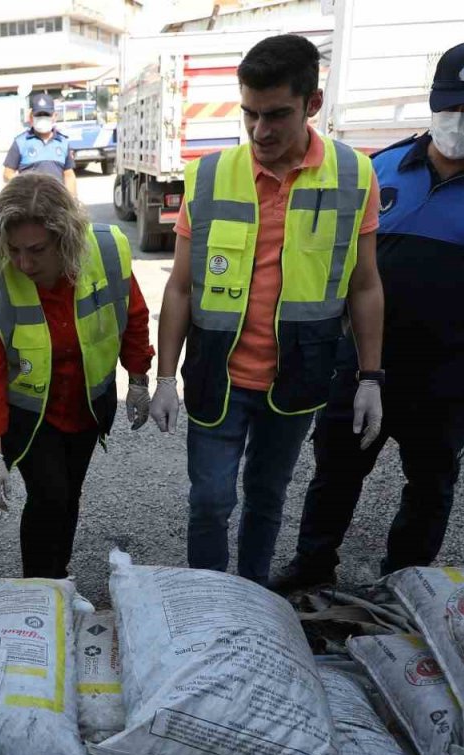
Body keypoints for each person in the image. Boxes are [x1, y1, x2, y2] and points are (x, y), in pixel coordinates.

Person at [281, 40, 464, 589]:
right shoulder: (381, 170)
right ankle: (312, 567)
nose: (459, 121)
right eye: (451, 105)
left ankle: (405, 584)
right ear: (433, 101)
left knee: (431, 484)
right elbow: (337, 268)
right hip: (364, 360)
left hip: (449, 371)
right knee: (335, 471)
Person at [149, 34, 385, 588]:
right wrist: (164, 376)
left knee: (266, 498)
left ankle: (252, 598)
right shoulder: (208, 176)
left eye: (276, 115)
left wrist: (371, 376)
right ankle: (207, 598)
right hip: (218, 375)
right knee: (209, 501)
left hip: (297, 378)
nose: (261, 132)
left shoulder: (355, 177)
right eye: (250, 114)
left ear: (313, 103)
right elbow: (180, 287)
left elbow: (365, 284)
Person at [0, 172, 154, 579]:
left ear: (65, 239)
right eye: (13, 250)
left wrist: (139, 380)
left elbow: (132, 316)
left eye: (36, 250)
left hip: (87, 405)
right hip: (31, 414)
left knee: (69, 495)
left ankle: (59, 575)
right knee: (48, 495)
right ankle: (40, 586)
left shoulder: (105, 252)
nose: (23, 263)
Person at [3, 93, 78, 196]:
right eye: (39, 115)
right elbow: (7, 174)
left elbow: (69, 175)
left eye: (46, 115)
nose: (42, 118)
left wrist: (73, 202)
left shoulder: (63, 143)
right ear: (31, 117)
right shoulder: (20, 143)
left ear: (54, 116)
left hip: (56, 203)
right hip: (29, 203)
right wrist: (25, 186)